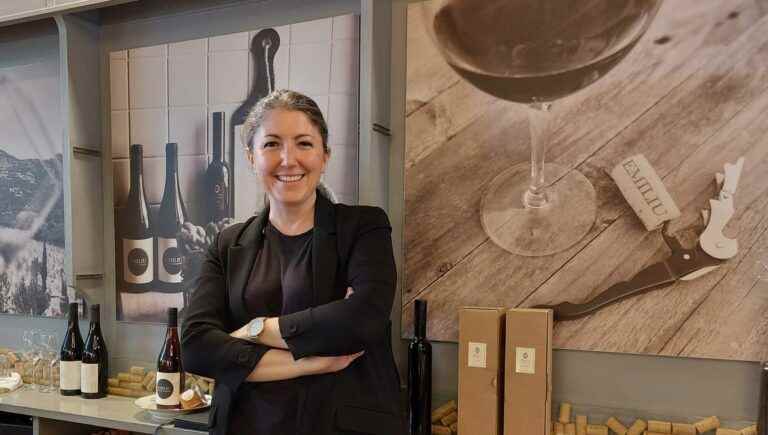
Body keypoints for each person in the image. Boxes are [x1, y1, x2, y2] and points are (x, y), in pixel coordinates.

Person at [181, 89, 405, 435]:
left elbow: (362, 321)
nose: (288, 159)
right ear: (251, 157)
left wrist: (254, 331)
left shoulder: (364, 228)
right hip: (246, 425)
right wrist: (310, 362)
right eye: (271, 144)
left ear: (325, 155)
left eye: (304, 143)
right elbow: (196, 347)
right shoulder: (228, 244)